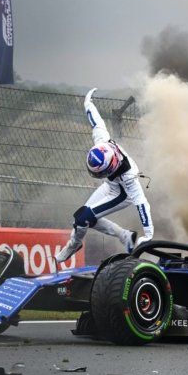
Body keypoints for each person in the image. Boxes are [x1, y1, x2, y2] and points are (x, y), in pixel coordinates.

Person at [55, 88, 153, 264]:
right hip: (110, 186)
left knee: (82, 218)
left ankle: (74, 244)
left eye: (100, 172)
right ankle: (124, 236)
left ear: (111, 166)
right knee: (85, 219)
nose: (96, 174)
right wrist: (88, 103)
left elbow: (141, 203)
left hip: (121, 194)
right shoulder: (102, 142)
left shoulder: (129, 176)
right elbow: (96, 122)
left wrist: (149, 234)